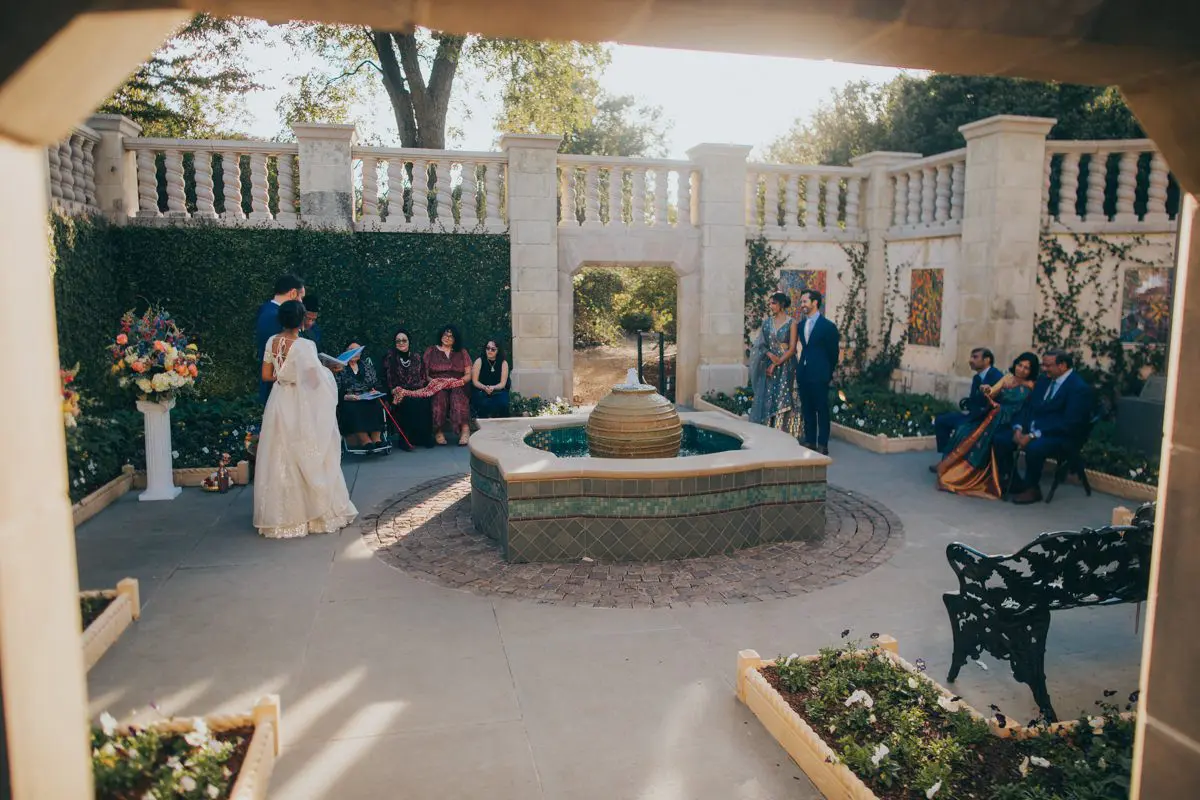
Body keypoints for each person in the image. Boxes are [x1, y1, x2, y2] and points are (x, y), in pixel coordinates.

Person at [254, 300, 357, 538]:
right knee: (307, 449)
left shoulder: (272, 341)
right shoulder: (306, 345)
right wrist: (330, 371)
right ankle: (314, 512)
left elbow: (267, 375)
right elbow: (313, 382)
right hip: (299, 404)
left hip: (280, 400)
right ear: (301, 321)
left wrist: (286, 376)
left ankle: (282, 515)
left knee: (280, 453)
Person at [994, 350, 1094, 505]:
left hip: (1060, 436)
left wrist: (1034, 435)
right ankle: (1015, 482)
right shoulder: (1043, 381)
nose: (1044, 369)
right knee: (1000, 439)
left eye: (1048, 365)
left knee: (1034, 447)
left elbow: (1070, 423)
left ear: (1062, 366)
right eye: (1043, 365)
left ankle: (1032, 488)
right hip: (1033, 429)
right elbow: (1027, 408)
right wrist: (1018, 428)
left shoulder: (1078, 388)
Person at [935, 352, 1039, 499]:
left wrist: (1022, 384)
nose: (1021, 370)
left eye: (1026, 368)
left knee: (991, 439)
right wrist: (986, 389)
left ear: (1031, 371)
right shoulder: (1007, 378)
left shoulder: (1033, 386)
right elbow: (993, 391)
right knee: (965, 432)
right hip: (997, 417)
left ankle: (1001, 479)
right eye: (1020, 365)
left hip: (1017, 421)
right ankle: (957, 469)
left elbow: (1032, 408)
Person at [930, 347, 1005, 472]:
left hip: (986, 419)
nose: (970, 360)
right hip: (973, 415)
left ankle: (950, 463)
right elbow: (974, 400)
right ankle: (946, 458)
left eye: (975, 357)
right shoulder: (977, 378)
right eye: (971, 357)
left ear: (987, 360)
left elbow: (996, 402)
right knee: (941, 421)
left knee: (961, 428)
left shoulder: (996, 377)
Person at [795, 289, 840, 455]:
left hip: (820, 374)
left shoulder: (828, 327)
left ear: (815, 303)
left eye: (805, 301)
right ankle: (810, 441)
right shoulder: (800, 326)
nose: (802, 305)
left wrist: (827, 372)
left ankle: (823, 444)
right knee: (807, 409)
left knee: (821, 409)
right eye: (801, 302)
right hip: (804, 373)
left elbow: (833, 353)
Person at [748, 292, 799, 434]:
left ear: (782, 304)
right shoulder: (767, 323)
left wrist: (777, 363)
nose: (771, 306)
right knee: (768, 398)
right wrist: (770, 355)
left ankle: (783, 433)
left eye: (773, 303)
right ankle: (767, 433)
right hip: (768, 365)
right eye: (770, 303)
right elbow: (761, 345)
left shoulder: (792, 323)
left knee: (783, 398)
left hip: (786, 366)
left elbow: (793, 348)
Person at [255, 274, 304, 404]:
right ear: (293, 293)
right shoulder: (273, 316)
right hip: (279, 389)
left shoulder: (267, 311)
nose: (301, 302)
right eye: (301, 297)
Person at [382, 328, 433, 449]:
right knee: (408, 402)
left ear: (409, 341)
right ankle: (406, 439)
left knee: (424, 401)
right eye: (398, 341)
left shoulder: (416, 357)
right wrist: (401, 391)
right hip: (398, 392)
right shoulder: (390, 358)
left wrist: (417, 391)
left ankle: (423, 438)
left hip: (416, 390)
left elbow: (423, 378)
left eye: (404, 340)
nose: (401, 343)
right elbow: (389, 380)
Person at [423, 324, 473, 446]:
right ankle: (438, 430)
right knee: (439, 396)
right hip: (437, 384)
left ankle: (465, 430)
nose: (447, 338)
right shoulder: (431, 351)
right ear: (441, 335)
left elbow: (468, 374)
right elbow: (424, 374)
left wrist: (459, 382)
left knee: (458, 394)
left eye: (451, 336)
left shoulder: (462, 352)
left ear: (455, 339)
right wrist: (435, 382)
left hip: (457, 383)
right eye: (446, 335)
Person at [334, 340, 384, 451]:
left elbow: (375, 383)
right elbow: (336, 389)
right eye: (352, 350)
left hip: (366, 397)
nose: (355, 353)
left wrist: (375, 391)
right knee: (353, 407)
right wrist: (346, 396)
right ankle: (365, 440)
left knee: (376, 404)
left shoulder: (366, 366)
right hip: (349, 399)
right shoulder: (340, 368)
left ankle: (377, 439)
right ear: (346, 352)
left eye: (358, 350)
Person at [471, 338, 511, 418]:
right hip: (481, 390)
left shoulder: (503, 363)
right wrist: (485, 387)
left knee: (503, 404)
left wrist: (493, 387)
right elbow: (475, 381)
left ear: (498, 350)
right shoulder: (479, 361)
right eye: (487, 348)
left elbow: (503, 384)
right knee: (482, 403)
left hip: (498, 391)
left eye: (493, 349)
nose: (489, 351)